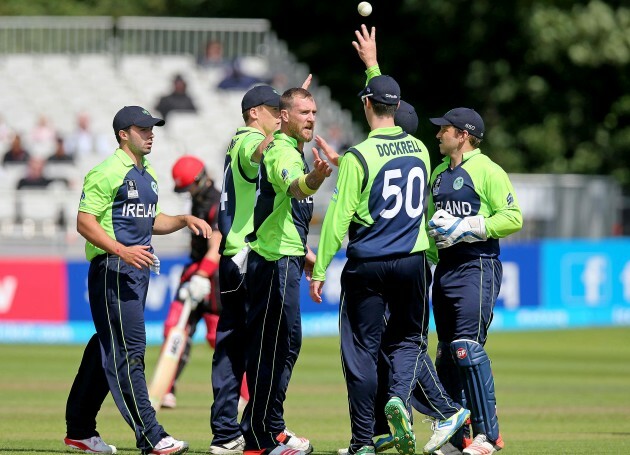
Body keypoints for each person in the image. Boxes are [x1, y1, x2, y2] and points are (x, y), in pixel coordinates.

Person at [314, 25, 470, 455]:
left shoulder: (357, 157)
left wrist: (321, 267)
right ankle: (399, 400)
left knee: (361, 354)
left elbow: (337, 220)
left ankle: (363, 441)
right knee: (408, 341)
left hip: (368, 263)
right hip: (414, 261)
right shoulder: (421, 149)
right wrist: (373, 68)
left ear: (367, 105)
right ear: (398, 106)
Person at [64, 105, 211, 455]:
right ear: (123, 134)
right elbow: (84, 222)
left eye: (152, 128)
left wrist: (182, 218)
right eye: (142, 129)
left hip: (136, 271)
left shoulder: (147, 173)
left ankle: (80, 430)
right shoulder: (106, 172)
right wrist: (121, 250)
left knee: (106, 346)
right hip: (113, 270)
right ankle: (151, 435)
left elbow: (149, 220)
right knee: (129, 352)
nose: (150, 134)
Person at [210, 80, 314, 455]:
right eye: (274, 112)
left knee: (237, 346)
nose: (276, 119)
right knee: (265, 346)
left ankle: (231, 431)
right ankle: (259, 429)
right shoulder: (245, 142)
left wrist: (290, 112)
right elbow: (256, 152)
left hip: (235, 254)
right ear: (255, 114)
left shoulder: (239, 142)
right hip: (244, 256)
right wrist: (289, 123)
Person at [425, 107, 523, 455]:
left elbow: (512, 217)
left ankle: (489, 436)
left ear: (463, 135)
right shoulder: (437, 174)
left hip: (478, 266)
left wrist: (468, 227)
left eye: (445, 130)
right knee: (446, 356)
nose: (439, 135)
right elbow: (433, 228)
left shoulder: (487, 170)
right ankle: (458, 438)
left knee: (466, 348)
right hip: (446, 270)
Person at [241, 87, 332, 455]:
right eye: (304, 112)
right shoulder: (281, 151)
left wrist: (306, 258)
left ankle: (268, 427)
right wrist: (315, 178)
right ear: (283, 116)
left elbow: (285, 214)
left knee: (285, 345)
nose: (311, 118)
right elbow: (295, 188)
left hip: (287, 259)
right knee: (273, 349)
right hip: (274, 262)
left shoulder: (290, 148)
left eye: (314, 111)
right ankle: (261, 435)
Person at [154, 155, 228, 410]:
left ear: (201, 180)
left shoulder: (216, 202)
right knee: (175, 328)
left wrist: (201, 276)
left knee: (217, 336)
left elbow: (216, 247)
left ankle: (244, 394)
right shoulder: (196, 201)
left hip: (215, 277)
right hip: (196, 270)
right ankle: (166, 388)